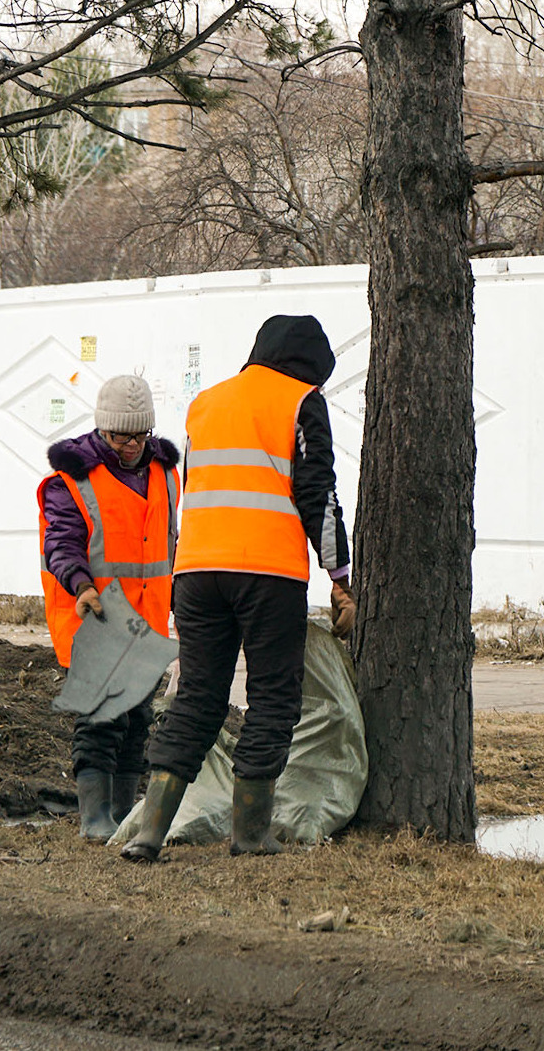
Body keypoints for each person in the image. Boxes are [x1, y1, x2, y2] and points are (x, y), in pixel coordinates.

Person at [120, 314, 356, 863]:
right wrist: (340, 579)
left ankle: (149, 832)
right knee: (274, 698)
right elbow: (319, 494)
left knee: (198, 697)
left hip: (197, 571)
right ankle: (250, 834)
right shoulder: (300, 402)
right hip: (268, 574)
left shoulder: (207, 403)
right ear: (310, 367)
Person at [38, 374, 181, 841]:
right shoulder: (71, 479)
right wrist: (81, 586)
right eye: (122, 437)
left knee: (137, 717)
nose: (132, 446)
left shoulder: (165, 474)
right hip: (94, 616)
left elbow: (172, 543)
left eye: (141, 436)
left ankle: (122, 812)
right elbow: (60, 543)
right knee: (101, 717)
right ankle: (94, 818)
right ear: (103, 431)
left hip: (146, 620)